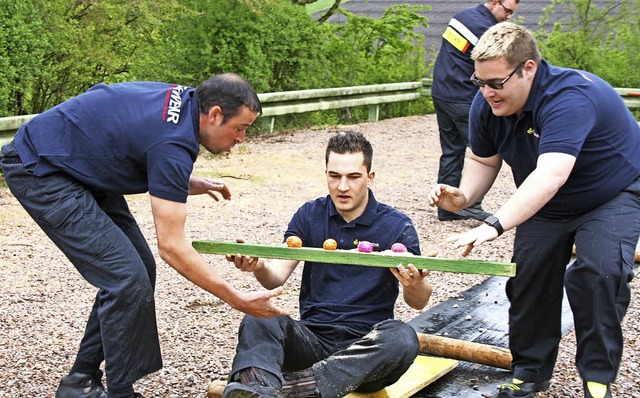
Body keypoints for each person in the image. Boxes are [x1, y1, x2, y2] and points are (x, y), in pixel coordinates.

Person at [0, 73, 290, 398]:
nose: (242, 138)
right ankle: (117, 392)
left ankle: (79, 381)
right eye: (241, 127)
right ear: (215, 114)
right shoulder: (174, 144)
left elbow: (140, 142)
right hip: (40, 168)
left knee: (139, 269)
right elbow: (172, 247)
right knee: (125, 276)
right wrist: (236, 298)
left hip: (74, 165)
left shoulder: (188, 104)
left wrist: (184, 182)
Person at [428, 22, 640, 398]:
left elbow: (551, 175)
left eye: (496, 82)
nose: (487, 92)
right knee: (529, 277)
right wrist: (462, 198)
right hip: (548, 201)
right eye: (480, 82)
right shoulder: (487, 102)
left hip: (611, 192)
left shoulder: (569, 97)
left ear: (528, 68)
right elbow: (484, 160)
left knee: (599, 274)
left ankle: (596, 378)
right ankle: (530, 370)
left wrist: (493, 225)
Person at [222, 131, 433, 398]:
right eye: (334, 176)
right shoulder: (309, 215)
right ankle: (257, 390)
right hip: (311, 341)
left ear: (370, 177)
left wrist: (416, 283)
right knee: (258, 315)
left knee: (402, 338)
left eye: (353, 177)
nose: (342, 186)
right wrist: (259, 265)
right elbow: (275, 277)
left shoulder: (396, 225)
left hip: (367, 350)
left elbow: (419, 301)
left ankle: (291, 389)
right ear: (326, 174)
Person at [431, 0, 519, 221]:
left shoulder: (464, 16)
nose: (509, 17)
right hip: (462, 95)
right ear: (493, 3)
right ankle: (471, 203)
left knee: (451, 150)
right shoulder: (487, 31)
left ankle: (447, 207)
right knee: (483, 151)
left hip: (442, 91)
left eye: (512, 13)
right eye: (507, 11)